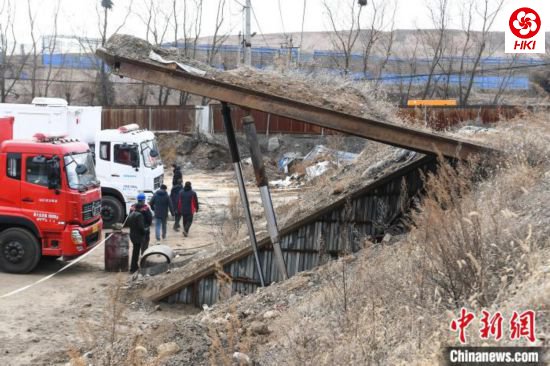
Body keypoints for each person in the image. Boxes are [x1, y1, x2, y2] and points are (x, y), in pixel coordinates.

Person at [126, 193, 152, 273]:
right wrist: (146, 228)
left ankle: (135, 266)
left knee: (136, 250)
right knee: (144, 249)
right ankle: (143, 265)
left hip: (133, 232)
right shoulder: (145, 208)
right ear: (144, 200)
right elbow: (149, 219)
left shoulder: (132, 208)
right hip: (142, 231)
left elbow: (129, 219)